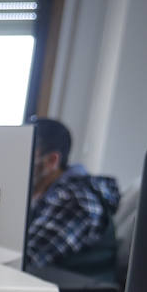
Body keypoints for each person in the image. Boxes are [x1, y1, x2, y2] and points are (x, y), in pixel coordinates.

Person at [25, 117, 121, 279]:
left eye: (25, 153)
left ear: (51, 161)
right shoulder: (44, 196)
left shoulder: (75, 200)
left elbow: (26, 260)